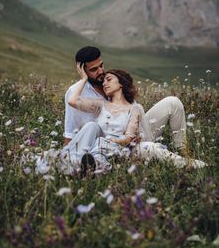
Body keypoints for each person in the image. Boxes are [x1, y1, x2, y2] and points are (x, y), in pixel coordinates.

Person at [59, 66, 205, 175]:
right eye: (103, 81)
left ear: (121, 83)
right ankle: (91, 166)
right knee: (146, 147)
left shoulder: (134, 108)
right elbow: (72, 101)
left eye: (108, 80)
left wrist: (122, 140)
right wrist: (84, 79)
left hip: (128, 147)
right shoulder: (100, 104)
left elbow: (130, 136)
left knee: (170, 106)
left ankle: (188, 158)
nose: (104, 83)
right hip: (103, 148)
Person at [64, 46, 188, 155]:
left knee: (173, 102)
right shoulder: (75, 92)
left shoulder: (111, 81)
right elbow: (70, 132)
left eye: (101, 65)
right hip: (110, 145)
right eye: (93, 69)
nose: (101, 71)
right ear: (82, 70)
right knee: (146, 148)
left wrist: (137, 133)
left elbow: (132, 110)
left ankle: (182, 150)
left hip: (136, 133)